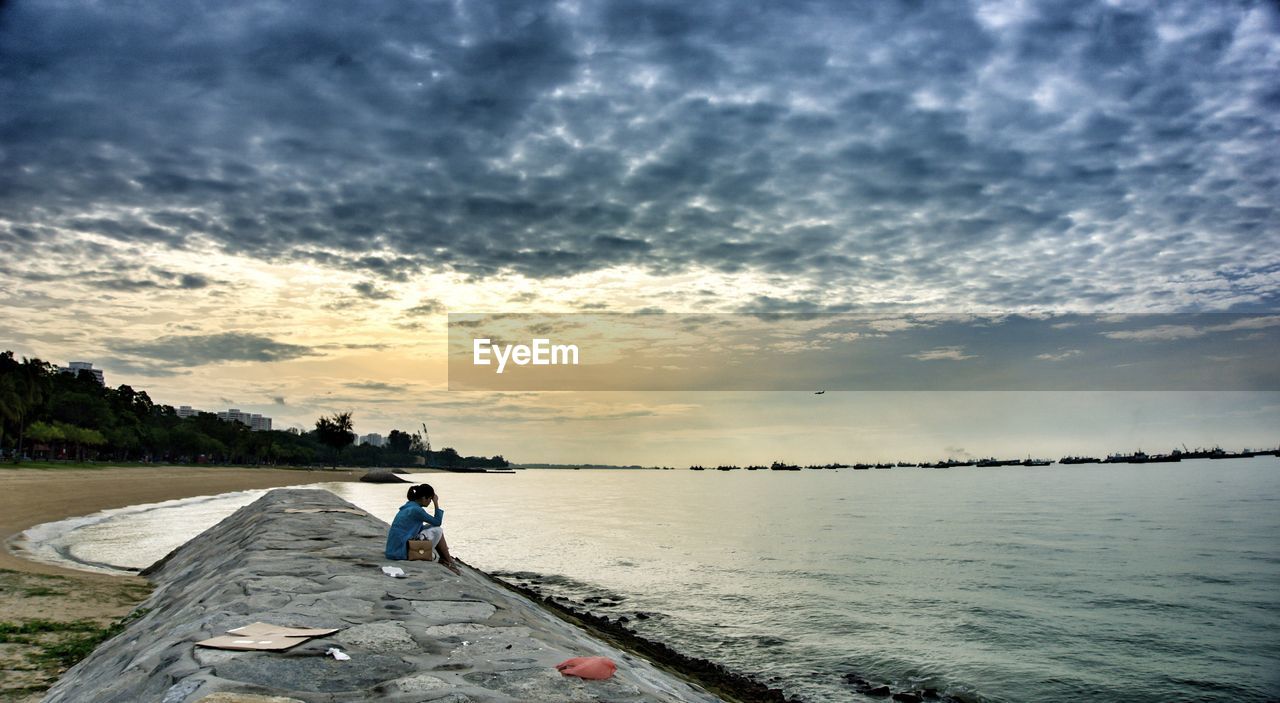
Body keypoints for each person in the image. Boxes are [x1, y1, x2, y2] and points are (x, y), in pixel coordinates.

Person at [385, 483, 460, 574]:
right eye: (430, 500)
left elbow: (419, 528)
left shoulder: (408, 506)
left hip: (393, 551)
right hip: (401, 552)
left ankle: (446, 559)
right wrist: (436, 503)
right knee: (438, 530)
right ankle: (448, 560)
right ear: (424, 498)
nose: (430, 502)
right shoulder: (417, 510)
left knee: (433, 527)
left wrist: (431, 525)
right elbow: (438, 522)